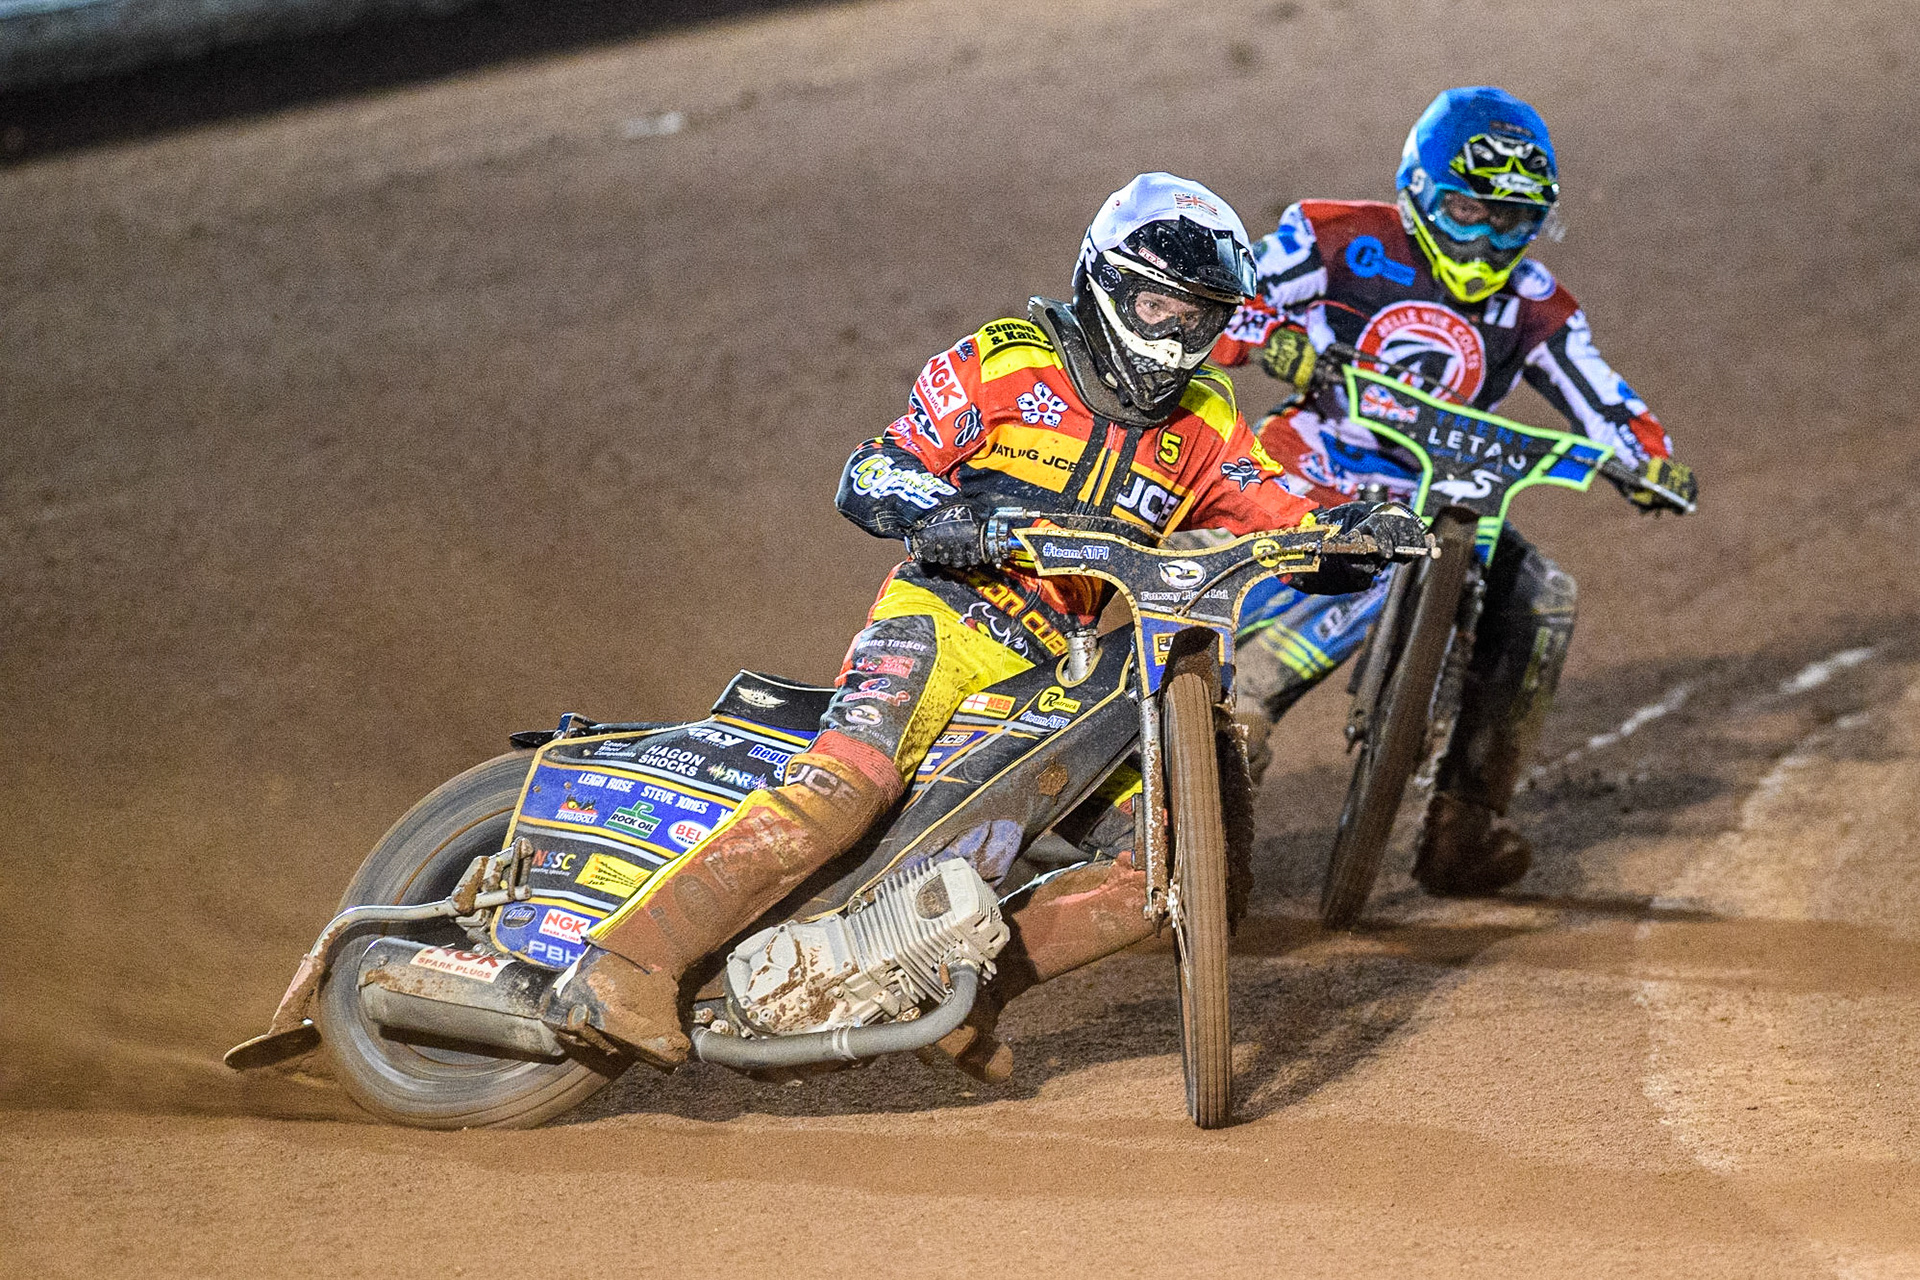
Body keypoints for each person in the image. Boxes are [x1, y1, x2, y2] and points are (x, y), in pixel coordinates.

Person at [545, 173, 1422, 1078]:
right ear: (1106, 283)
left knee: (1160, 874)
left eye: (1202, 317)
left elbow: (1271, 509)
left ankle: (965, 998)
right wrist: (936, 511)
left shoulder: (1206, 419)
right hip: (944, 617)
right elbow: (874, 468)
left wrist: (1350, 533)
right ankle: (625, 966)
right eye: (1159, 304)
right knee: (848, 788)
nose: (1178, 335)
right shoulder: (1006, 358)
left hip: (1065, 670)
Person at [1210, 86, 1698, 896]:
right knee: (1303, 547)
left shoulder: (1536, 307)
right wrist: (1273, 339)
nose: (1487, 239)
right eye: (1469, 210)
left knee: (1542, 596)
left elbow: (1604, 399)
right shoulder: (1334, 237)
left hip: (1446, 494)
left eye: (1512, 221)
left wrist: (1650, 460)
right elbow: (1225, 294)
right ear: (1418, 192)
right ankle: (1213, 714)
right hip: (1315, 458)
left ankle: (1465, 824)